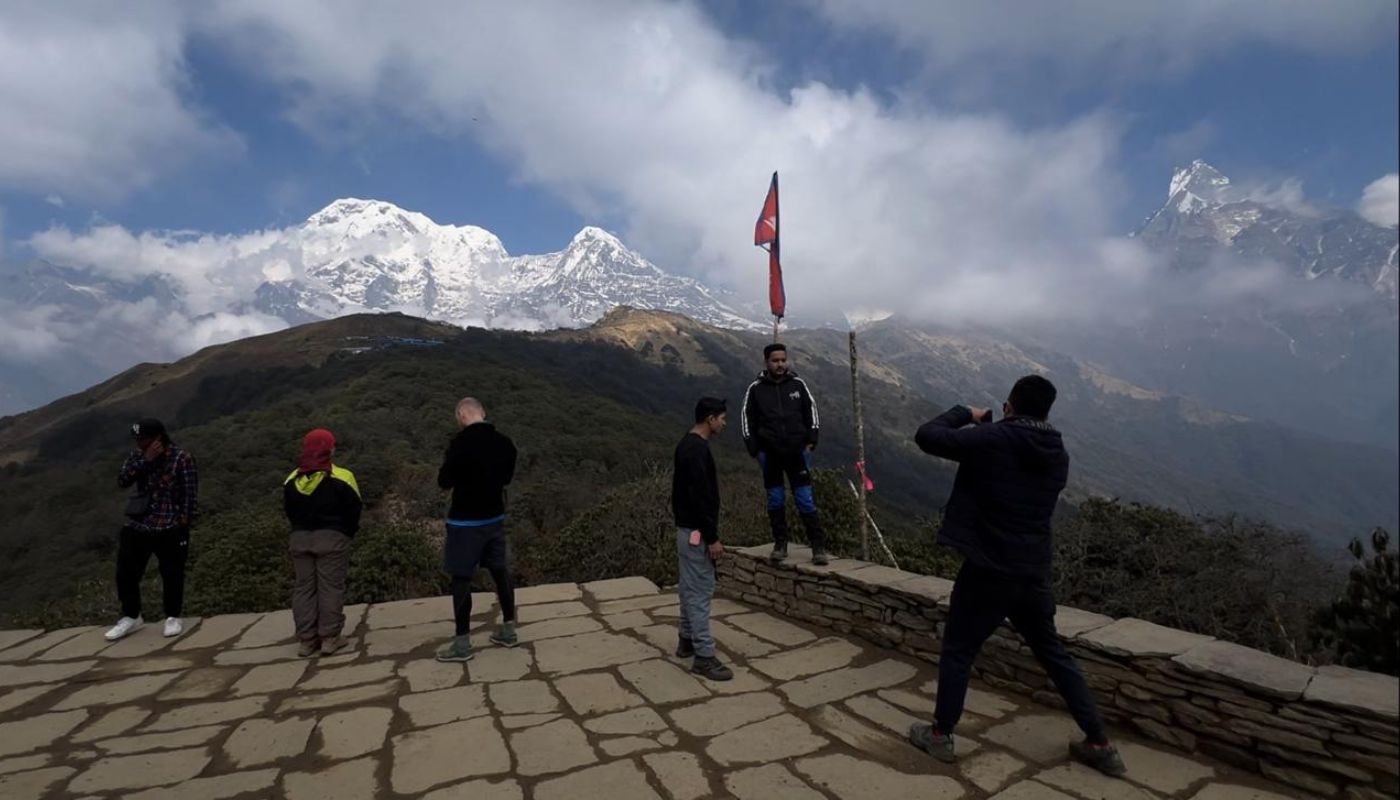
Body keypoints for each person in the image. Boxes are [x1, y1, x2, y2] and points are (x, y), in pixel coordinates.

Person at [907, 375, 1126, 778]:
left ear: (1009, 405)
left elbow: (927, 435)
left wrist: (965, 413)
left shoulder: (993, 439)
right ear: (1046, 411)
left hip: (989, 568)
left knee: (959, 649)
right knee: (1052, 653)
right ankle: (1100, 742)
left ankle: (940, 735)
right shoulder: (1057, 453)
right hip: (1033, 571)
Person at [435, 397, 519, 663]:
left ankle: (462, 643)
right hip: (494, 517)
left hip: (465, 522)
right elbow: (506, 478)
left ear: (461, 415)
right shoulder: (506, 443)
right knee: (500, 571)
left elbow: (443, 481)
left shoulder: (459, 445)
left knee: (461, 579)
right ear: (483, 412)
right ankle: (508, 628)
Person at [106, 418, 198, 641]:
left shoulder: (181, 458)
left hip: (169, 524)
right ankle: (131, 616)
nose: (139, 444)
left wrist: (183, 524)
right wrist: (146, 461)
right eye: (137, 440)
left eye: (144, 439)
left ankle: (173, 616)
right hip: (139, 523)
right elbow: (123, 480)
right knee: (126, 573)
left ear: (158, 438)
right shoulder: (138, 457)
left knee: (172, 573)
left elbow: (189, 493)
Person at [740, 342, 828, 566]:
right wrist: (755, 450)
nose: (780, 364)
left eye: (783, 360)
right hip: (770, 454)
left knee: (805, 499)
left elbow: (812, 412)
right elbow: (746, 419)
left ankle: (818, 546)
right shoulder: (755, 389)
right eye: (775, 360)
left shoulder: (798, 385)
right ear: (766, 362)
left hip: (797, 453)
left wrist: (811, 441)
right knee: (775, 499)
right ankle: (780, 543)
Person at [284, 428, 362, 657]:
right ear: (329, 450)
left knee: (304, 588)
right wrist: (347, 533)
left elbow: (288, 511)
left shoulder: (291, 480)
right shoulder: (342, 477)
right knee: (330, 587)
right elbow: (354, 509)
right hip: (332, 539)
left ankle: (306, 641)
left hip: (299, 539)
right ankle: (330, 638)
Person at [671, 396, 733, 682]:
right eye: (721, 418)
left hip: (685, 530)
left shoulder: (686, 444)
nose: (724, 423)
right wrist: (713, 537)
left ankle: (686, 640)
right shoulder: (697, 451)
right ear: (710, 419)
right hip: (697, 533)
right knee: (700, 593)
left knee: (688, 587)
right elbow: (701, 498)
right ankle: (704, 657)